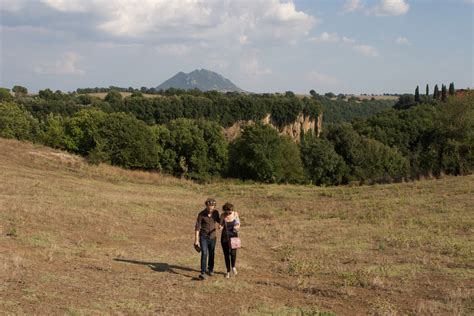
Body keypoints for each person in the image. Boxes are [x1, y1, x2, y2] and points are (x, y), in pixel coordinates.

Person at [194, 198, 220, 280]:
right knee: (204, 253)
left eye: (212, 206)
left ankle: (211, 269)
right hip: (203, 237)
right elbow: (197, 228)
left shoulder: (216, 213)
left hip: (213, 237)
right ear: (206, 205)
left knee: (212, 253)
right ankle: (203, 272)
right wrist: (196, 240)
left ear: (214, 206)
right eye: (209, 206)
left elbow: (219, 221)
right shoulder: (201, 214)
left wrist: (222, 223)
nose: (210, 208)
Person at [220, 202, 240, 279]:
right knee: (226, 254)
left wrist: (237, 227)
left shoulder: (235, 214)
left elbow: (238, 223)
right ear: (225, 211)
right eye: (228, 212)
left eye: (231, 211)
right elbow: (221, 224)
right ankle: (228, 271)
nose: (229, 213)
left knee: (233, 252)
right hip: (225, 237)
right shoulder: (222, 216)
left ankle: (233, 267)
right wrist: (220, 227)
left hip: (234, 236)